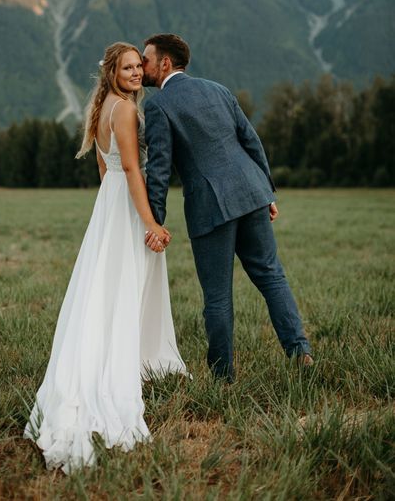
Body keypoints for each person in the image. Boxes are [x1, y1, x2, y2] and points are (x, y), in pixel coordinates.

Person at [24, 42, 187, 472]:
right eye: (128, 68)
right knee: (126, 285)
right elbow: (133, 169)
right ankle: (128, 366)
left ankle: (133, 358)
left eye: (139, 66)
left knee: (107, 286)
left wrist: (112, 209)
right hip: (128, 206)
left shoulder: (102, 109)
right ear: (112, 72)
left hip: (109, 205)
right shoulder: (128, 112)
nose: (136, 73)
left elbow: (106, 169)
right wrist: (150, 222)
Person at [142, 33, 313, 383]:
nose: (141, 66)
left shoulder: (158, 105)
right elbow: (251, 140)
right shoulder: (217, 89)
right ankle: (300, 352)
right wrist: (267, 192)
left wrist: (153, 222)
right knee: (271, 276)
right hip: (252, 193)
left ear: (165, 63)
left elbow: (159, 168)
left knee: (218, 296)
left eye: (146, 59)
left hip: (210, 207)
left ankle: (223, 377)